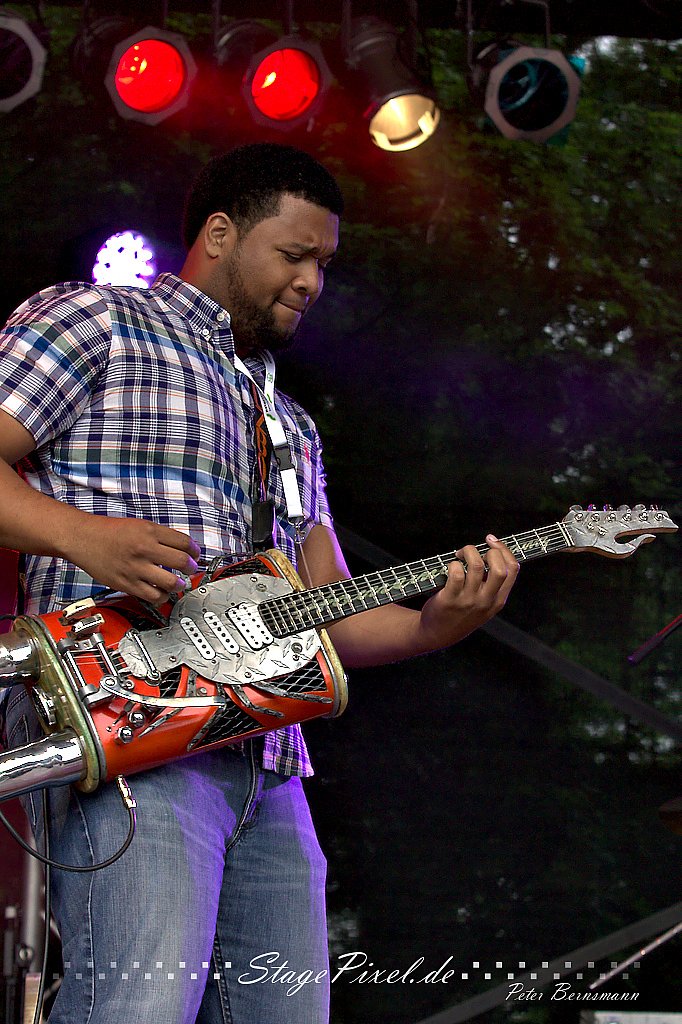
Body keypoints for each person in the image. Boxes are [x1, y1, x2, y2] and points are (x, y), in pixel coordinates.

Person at [0, 143, 519, 1023]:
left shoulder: (292, 425)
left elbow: (329, 609)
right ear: (219, 234)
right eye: (294, 254)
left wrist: (436, 626)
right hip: (129, 732)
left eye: (325, 264)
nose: (312, 281)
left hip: (271, 766)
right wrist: (81, 535)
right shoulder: (96, 322)